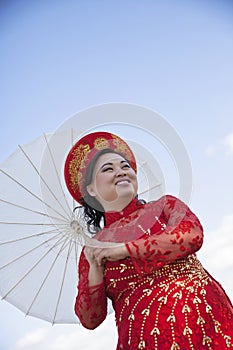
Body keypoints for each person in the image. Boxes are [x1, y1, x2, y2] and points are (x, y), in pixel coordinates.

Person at [64, 131, 233, 350]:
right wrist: (95, 268)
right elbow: (90, 319)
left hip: (209, 324)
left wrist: (126, 249)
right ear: (91, 190)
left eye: (125, 167)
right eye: (108, 169)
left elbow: (192, 235)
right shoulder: (94, 248)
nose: (121, 172)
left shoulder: (164, 206)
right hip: (143, 339)